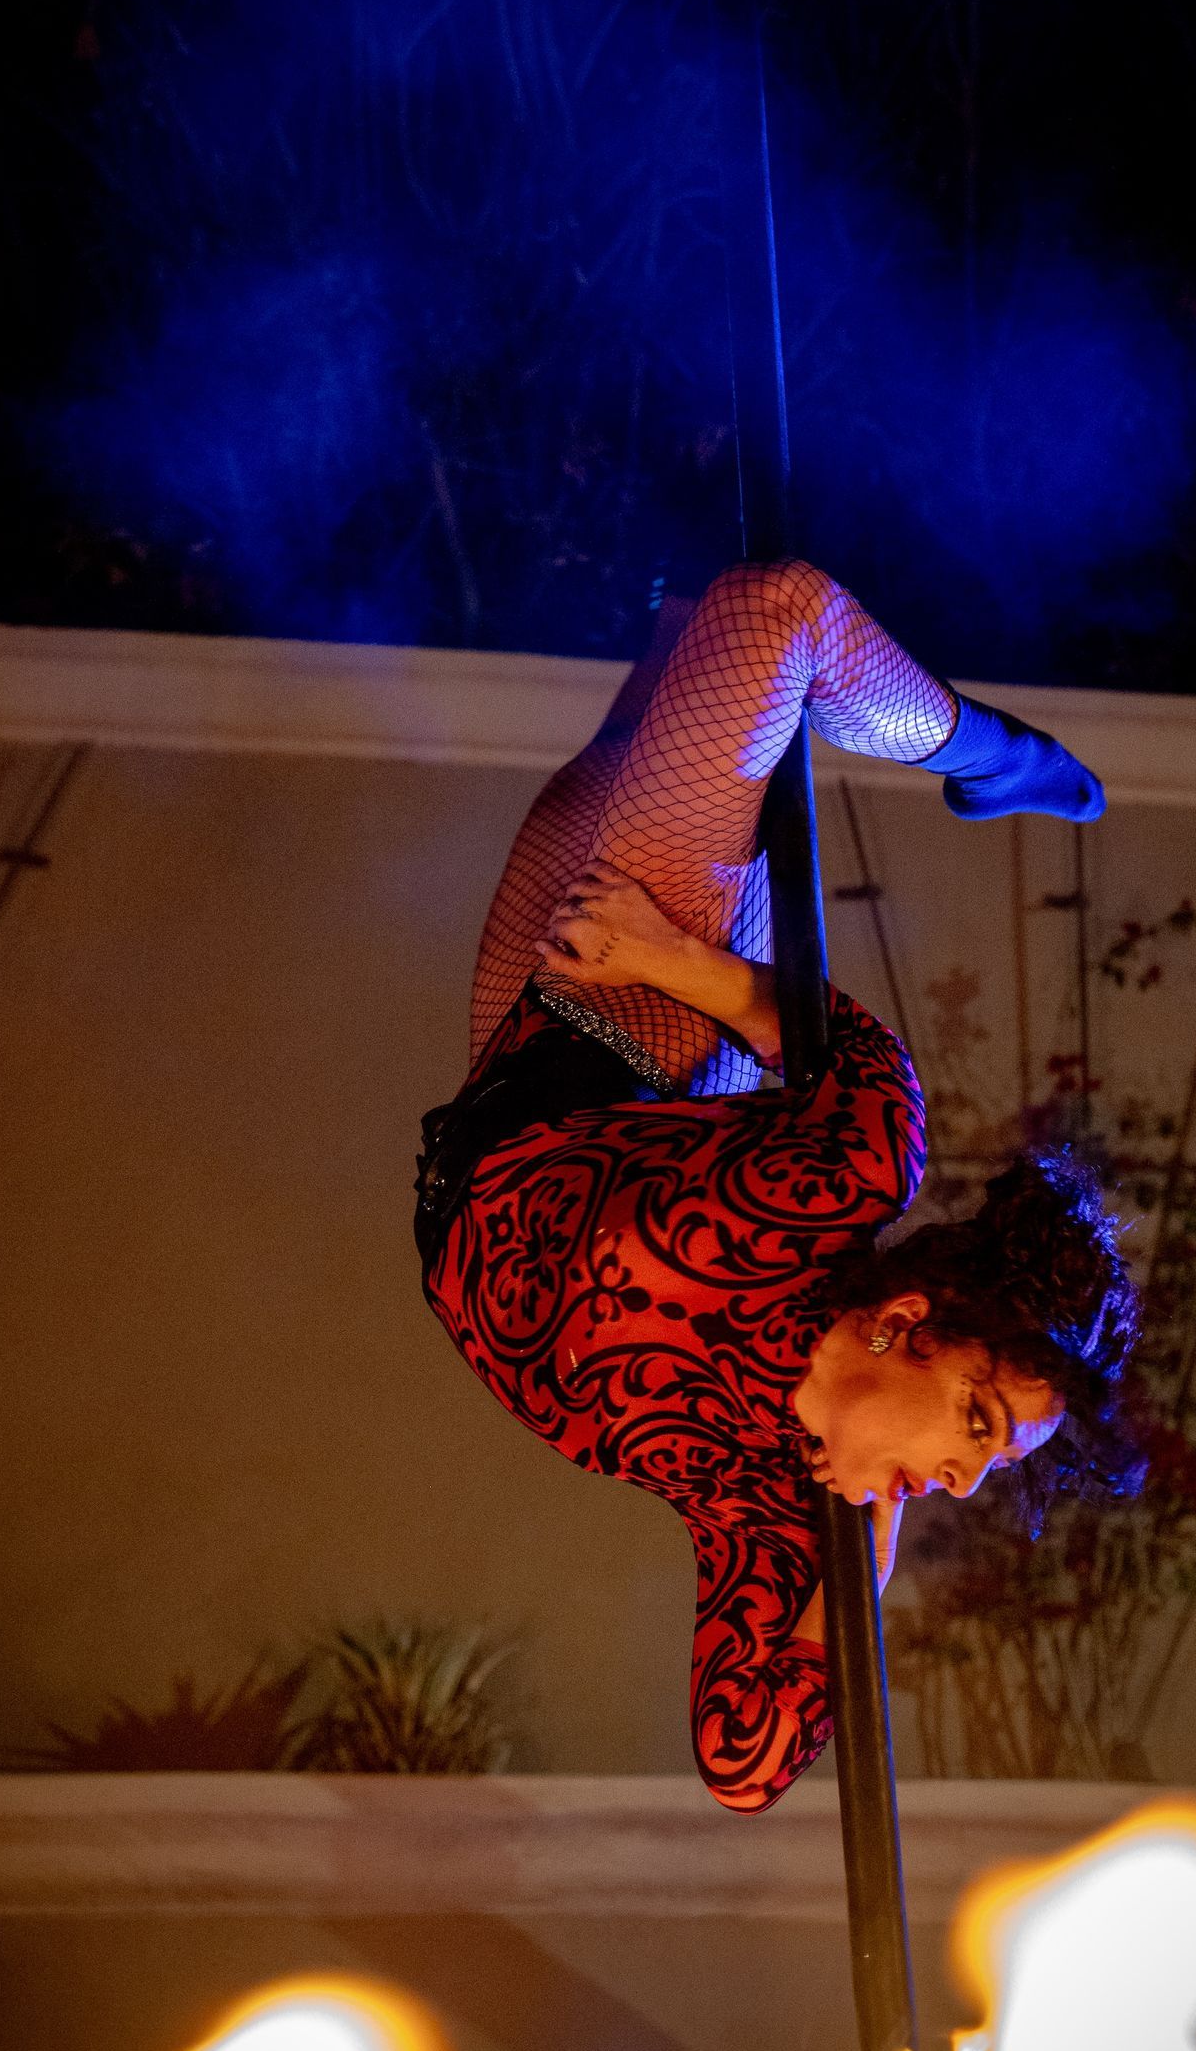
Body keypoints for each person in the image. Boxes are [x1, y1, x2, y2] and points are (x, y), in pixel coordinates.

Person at [415, 559, 1139, 1813]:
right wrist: (678, 962)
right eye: (976, 1423)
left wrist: (855, 1554)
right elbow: (835, 1053)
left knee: (659, 685)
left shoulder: (769, 1507)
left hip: (496, 1117)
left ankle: (675, 600)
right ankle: (983, 751)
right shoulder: (849, 1173)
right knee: (774, 614)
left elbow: (741, 1760)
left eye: (992, 1464)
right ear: (909, 1323)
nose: (966, 1484)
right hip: (625, 1016)